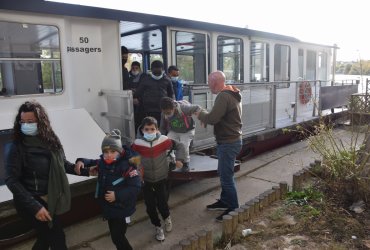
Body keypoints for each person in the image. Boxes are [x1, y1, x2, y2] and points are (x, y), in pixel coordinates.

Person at [4, 100, 81, 250]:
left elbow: (63, 164)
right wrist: (35, 207)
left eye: (30, 121)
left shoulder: (51, 140)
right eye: (23, 121)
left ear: (40, 121)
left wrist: (84, 170)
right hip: (31, 202)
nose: (26, 125)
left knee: (45, 238)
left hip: (51, 199)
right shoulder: (16, 147)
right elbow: (11, 180)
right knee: (57, 239)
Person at [74, 129, 141, 250]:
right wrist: (81, 161)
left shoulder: (127, 166)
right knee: (116, 236)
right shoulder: (103, 162)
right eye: (106, 151)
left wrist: (117, 195)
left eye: (113, 151)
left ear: (120, 152)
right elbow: (92, 161)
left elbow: (135, 187)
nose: (109, 154)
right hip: (109, 208)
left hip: (121, 207)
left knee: (117, 237)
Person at [195, 71, 242, 222]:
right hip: (231, 140)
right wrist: (207, 117)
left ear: (215, 83)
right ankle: (225, 201)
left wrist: (199, 113)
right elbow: (219, 116)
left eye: (209, 84)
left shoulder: (223, 96)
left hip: (228, 143)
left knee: (226, 177)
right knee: (223, 173)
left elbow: (213, 118)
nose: (209, 87)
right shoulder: (231, 93)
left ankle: (233, 207)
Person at [132, 116, 185, 241]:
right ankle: (157, 226)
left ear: (156, 129)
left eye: (152, 129)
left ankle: (167, 218)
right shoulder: (138, 144)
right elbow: (127, 154)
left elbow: (180, 146)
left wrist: (179, 159)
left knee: (162, 204)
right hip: (146, 180)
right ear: (142, 130)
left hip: (161, 178)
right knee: (150, 206)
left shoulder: (163, 140)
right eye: (147, 129)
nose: (149, 132)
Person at [159, 97, 201, 172]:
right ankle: (172, 162)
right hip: (174, 130)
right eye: (165, 113)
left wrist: (200, 116)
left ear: (174, 108)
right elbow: (162, 127)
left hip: (187, 131)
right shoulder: (163, 113)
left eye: (168, 113)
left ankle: (186, 163)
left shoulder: (183, 108)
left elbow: (197, 107)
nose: (167, 115)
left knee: (184, 145)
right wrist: (160, 138)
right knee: (167, 143)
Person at [133, 60, 174, 125]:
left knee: (163, 128)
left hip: (163, 110)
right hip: (148, 110)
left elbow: (171, 95)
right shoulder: (145, 80)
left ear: (162, 70)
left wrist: (172, 107)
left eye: (159, 72)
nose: (157, 74)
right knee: (151, 127)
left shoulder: (167, 80)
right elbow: (138, 93)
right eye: (155, 72)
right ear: (151, 70)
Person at [128, 61, 145, 132]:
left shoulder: (144, 76)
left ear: (139, 68)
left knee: (139, 119)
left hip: (140, 101)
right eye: (133, 68)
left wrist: (138, 99)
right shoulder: (127, 76)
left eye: (136, 68)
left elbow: (145, 90)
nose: (134, 70)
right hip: (129, 100)